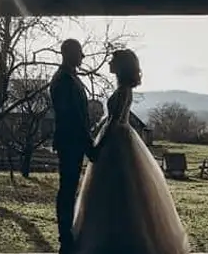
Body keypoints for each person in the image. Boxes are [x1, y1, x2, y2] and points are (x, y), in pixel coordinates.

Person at [72, 49, 190, 254]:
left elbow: (114, 121)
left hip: (116, 143)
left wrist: (98, 146)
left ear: (121, 66)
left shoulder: (123, 91)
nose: (109, 63)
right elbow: (110, 119)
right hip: (118, 139)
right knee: (117, 190)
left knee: (118, 188)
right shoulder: (123, 90)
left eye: (113, 60)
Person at [49, 39, 96, 254]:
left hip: (74, 142)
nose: (82, 57)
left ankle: (68, 235)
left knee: (70, 188)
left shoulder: (71, 78)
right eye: (79, 52)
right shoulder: (62, 80)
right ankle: (65, 238)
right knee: (67, 190)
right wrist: (88, 145)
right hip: (70, 143)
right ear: (67, 53)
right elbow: (72, 117)